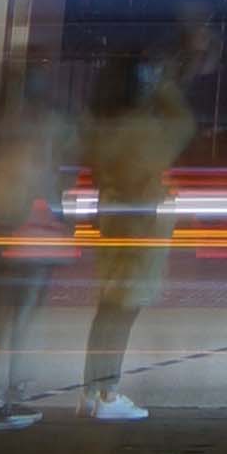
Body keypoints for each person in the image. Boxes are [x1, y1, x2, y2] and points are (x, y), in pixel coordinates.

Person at [77, 45, 192, 422]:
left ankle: (93, 392)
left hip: (112, 217)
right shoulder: (142, 127)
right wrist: (166, 87)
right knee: (124, 310)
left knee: (108, 309)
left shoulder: (102, 122)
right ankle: (107, 393)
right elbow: (182, 125)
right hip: (139, 223)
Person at [0, 70, 71, 428]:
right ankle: (3, 397)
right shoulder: (40, 125)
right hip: (29, 229)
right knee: (22, 313)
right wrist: (57, 213)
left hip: (0, 224)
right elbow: (45, 177)